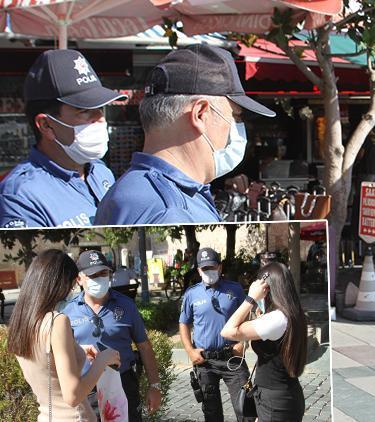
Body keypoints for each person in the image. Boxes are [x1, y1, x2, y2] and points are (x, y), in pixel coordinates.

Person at [94, 44, 276, 225]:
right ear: (200, 114)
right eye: (235, 116)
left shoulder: (133, 189)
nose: (237, 127)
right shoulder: (171, 210)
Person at [0, 50, 127, 228]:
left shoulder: (100, 171)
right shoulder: (20, 196)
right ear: (46, 125)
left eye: (101, 109)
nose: (100, 118)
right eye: (84, 111)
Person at [8, 249, 121, 421]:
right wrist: (103, 359)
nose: (71, 291)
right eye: (70, 284)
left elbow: (45, 361)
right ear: (57, 284)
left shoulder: (22, 323)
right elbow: (72, 396)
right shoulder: (57, 321)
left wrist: (77, 350)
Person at [62, 250, 161, 421]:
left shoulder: (126, 305)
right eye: (92, 275)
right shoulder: (67, 312)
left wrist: (155, 386)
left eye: (103, 272)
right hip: (87, 388)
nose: (99, 278)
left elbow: (144, 346)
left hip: (123, 384)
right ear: (79, 279)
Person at [221, 262, 308, 422]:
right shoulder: (292, 313)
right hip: (283, 396)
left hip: (275, 403)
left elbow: (228, 331)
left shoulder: (276, 319)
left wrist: (251, 298)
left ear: (268, 289)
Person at [179, 247, 249, 421]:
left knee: (246, 408)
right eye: (205, 269)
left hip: (232, 357)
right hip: (205, 361)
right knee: (211, 414)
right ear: (198, 270)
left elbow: (247, 317)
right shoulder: (191, 294)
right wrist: (189, 351)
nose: (209, 271)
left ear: (220, 267)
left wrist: (243, 342)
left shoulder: (235, 289)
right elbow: (183, 323)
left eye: (212, 267)